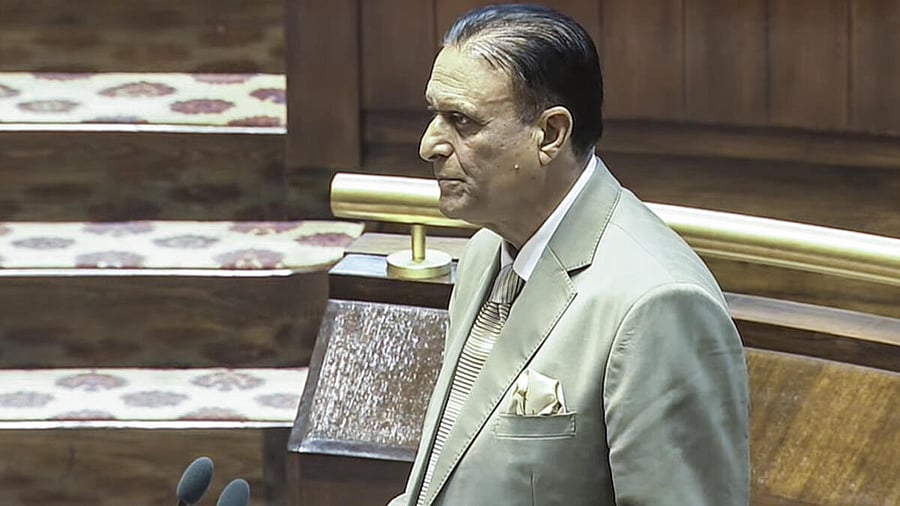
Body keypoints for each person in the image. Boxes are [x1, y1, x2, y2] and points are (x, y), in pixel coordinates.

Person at [389, 4, 749, 505]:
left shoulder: (658, 304)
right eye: (434, 114)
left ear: (551, 135)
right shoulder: (485, 251)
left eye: (461, 121)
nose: (430, 144)